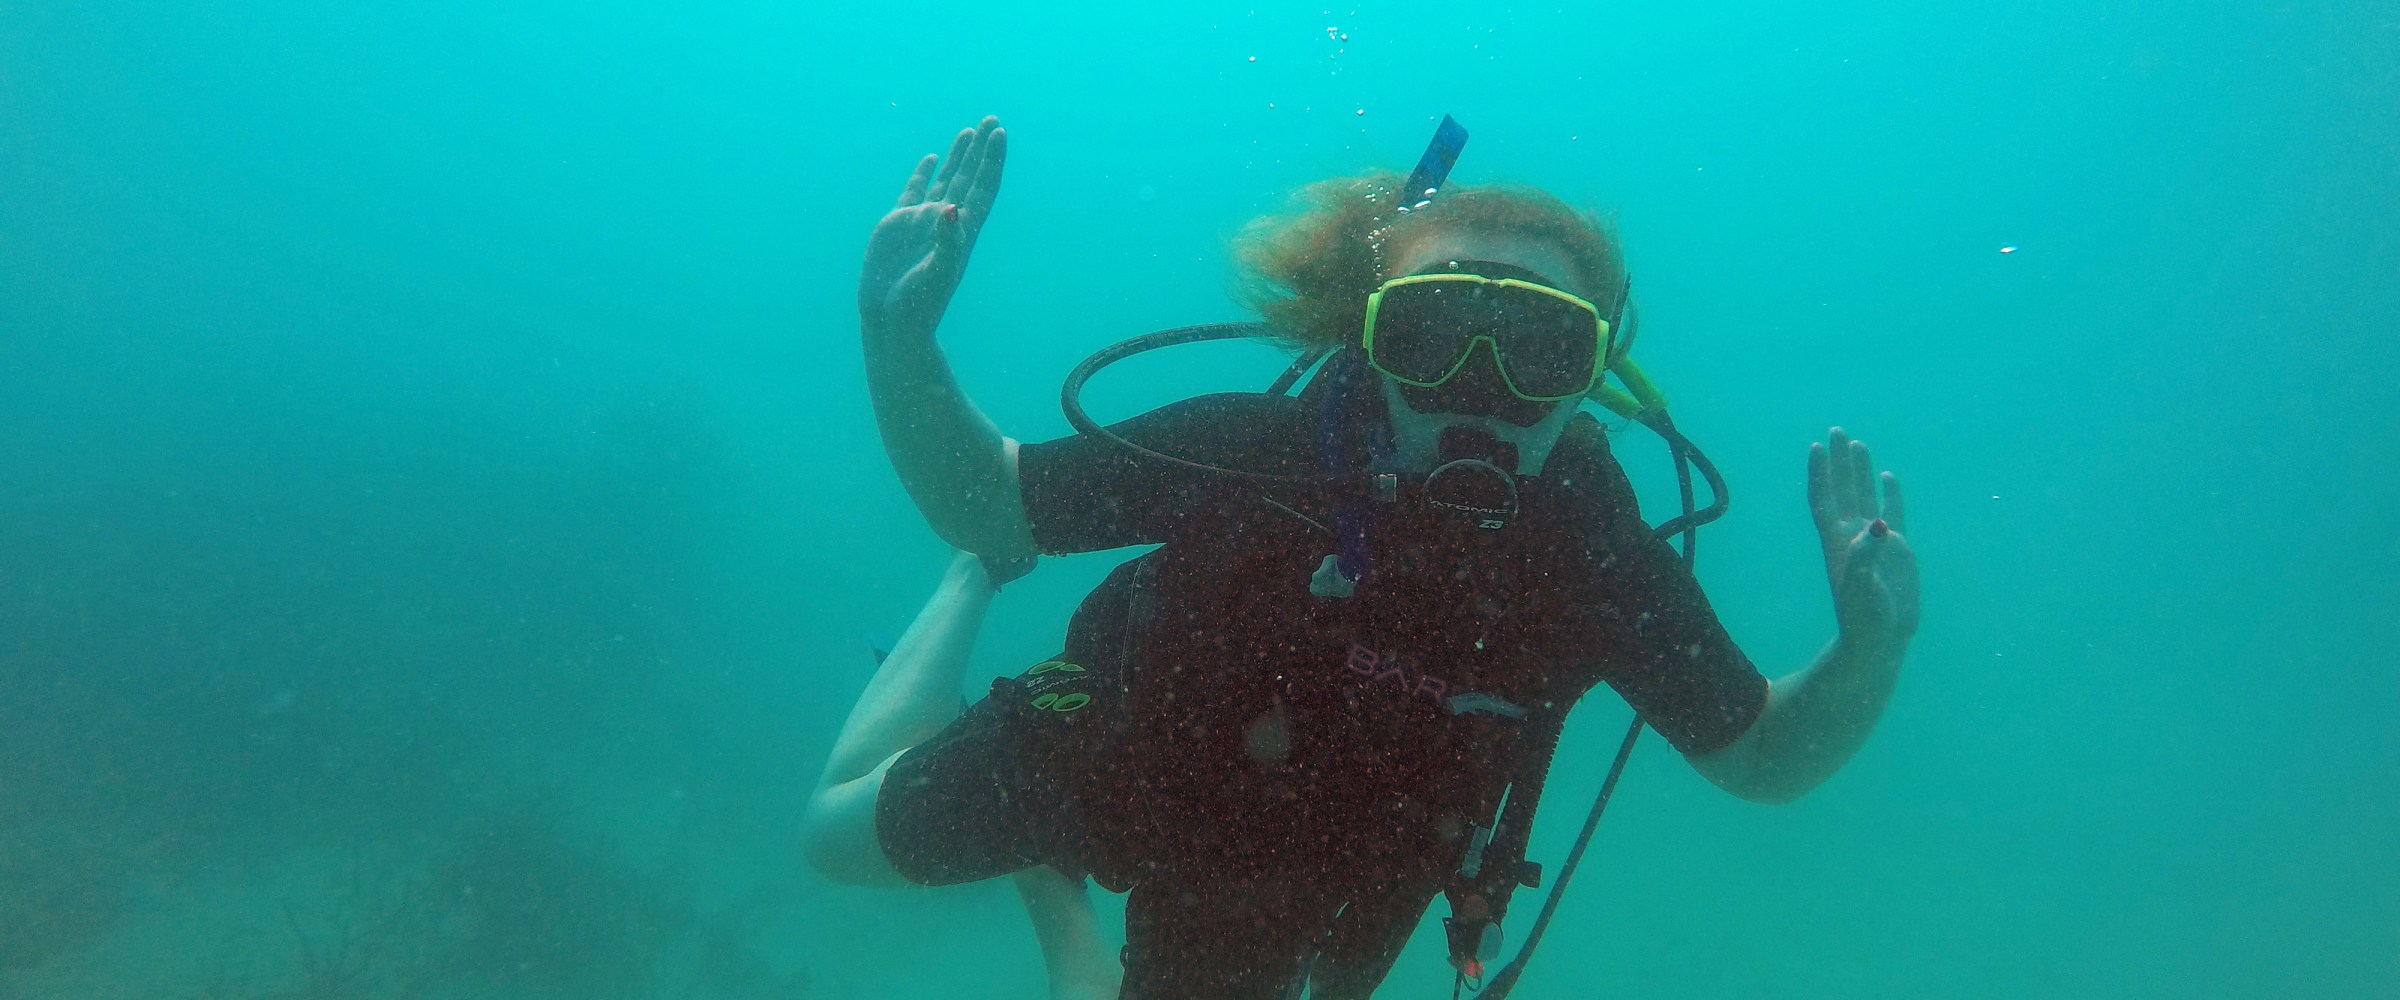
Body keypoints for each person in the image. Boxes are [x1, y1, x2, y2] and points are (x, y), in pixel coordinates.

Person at [803, 116, 1922, 1000]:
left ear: (1591, 374)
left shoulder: (1586, 547)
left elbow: (1763, 755)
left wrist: (1869, 651)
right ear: (1368, 338)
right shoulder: (1264, 451)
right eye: (1433, 337)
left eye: (1536, 347)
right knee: (829, 837)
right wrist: (896, 339)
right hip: (1111, 748)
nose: (1481, 388)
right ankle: (967, 616)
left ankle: (1072, 954)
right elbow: (984, 500)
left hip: (1333, 857)